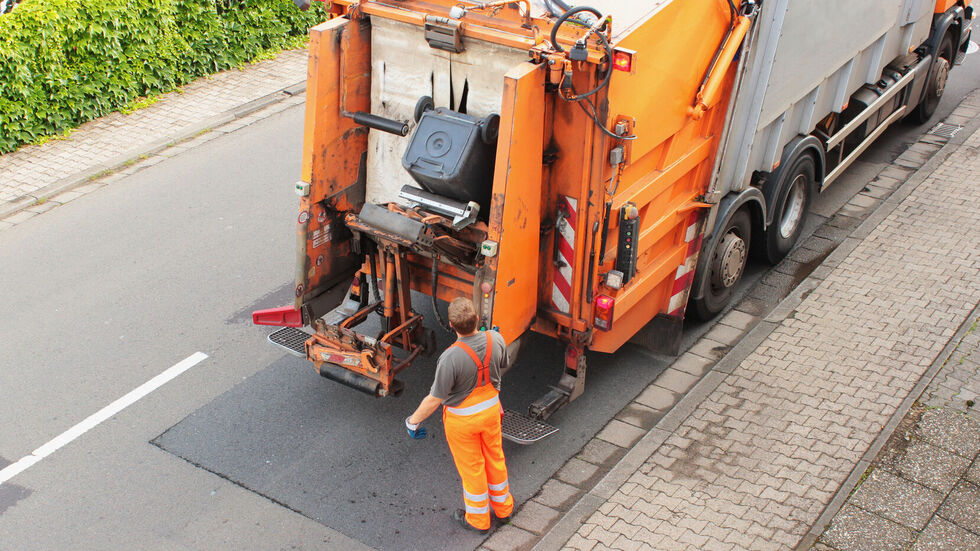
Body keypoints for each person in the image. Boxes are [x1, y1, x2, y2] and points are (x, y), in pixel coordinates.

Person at [405, 297, 514, 534]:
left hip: (462, 422)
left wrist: (413, 422)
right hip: (491, 412)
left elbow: (435, 398)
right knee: (495, 458)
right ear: (476, 319)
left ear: (452, 326)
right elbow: (503, 362)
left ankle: (478, 520)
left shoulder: (450, 358)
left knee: (472, 469)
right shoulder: (495, 339)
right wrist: (494, 341)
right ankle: (504, 510)